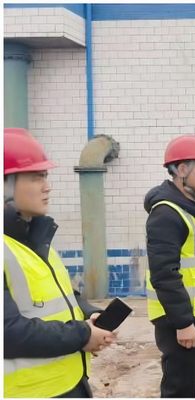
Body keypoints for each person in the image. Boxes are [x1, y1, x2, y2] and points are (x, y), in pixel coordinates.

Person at [4, 127, 115, 398]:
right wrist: (82, 335)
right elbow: (8, 332)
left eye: (45, 176)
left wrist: (89, 315)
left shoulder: (35, 239)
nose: (47, 186)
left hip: (70, 383)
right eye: (36, 177)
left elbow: (63, 295)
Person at [144, 134, 195, 397]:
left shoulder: (185, 209)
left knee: (189, 388)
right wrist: (183, 323)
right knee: (180, 389)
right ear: (181, 170)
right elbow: (164, 274)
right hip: (181, 320)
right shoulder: (167, 214)